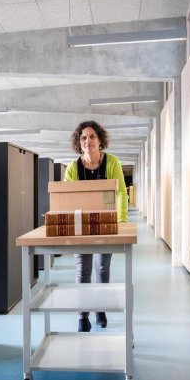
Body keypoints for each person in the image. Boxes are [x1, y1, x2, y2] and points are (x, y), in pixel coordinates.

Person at [64, 121, 129, 332]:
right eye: (83, 137)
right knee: (83, 271)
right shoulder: (73, 168)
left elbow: (120, 192)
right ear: (78, 142)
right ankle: (83, 316)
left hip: (106, 225)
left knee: (102, 268)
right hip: (81, 226)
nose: (88, 141)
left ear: (100, 140)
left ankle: (100, 308)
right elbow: (66, 199)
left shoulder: (112, 163)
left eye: (92, 136)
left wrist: (121, 221)